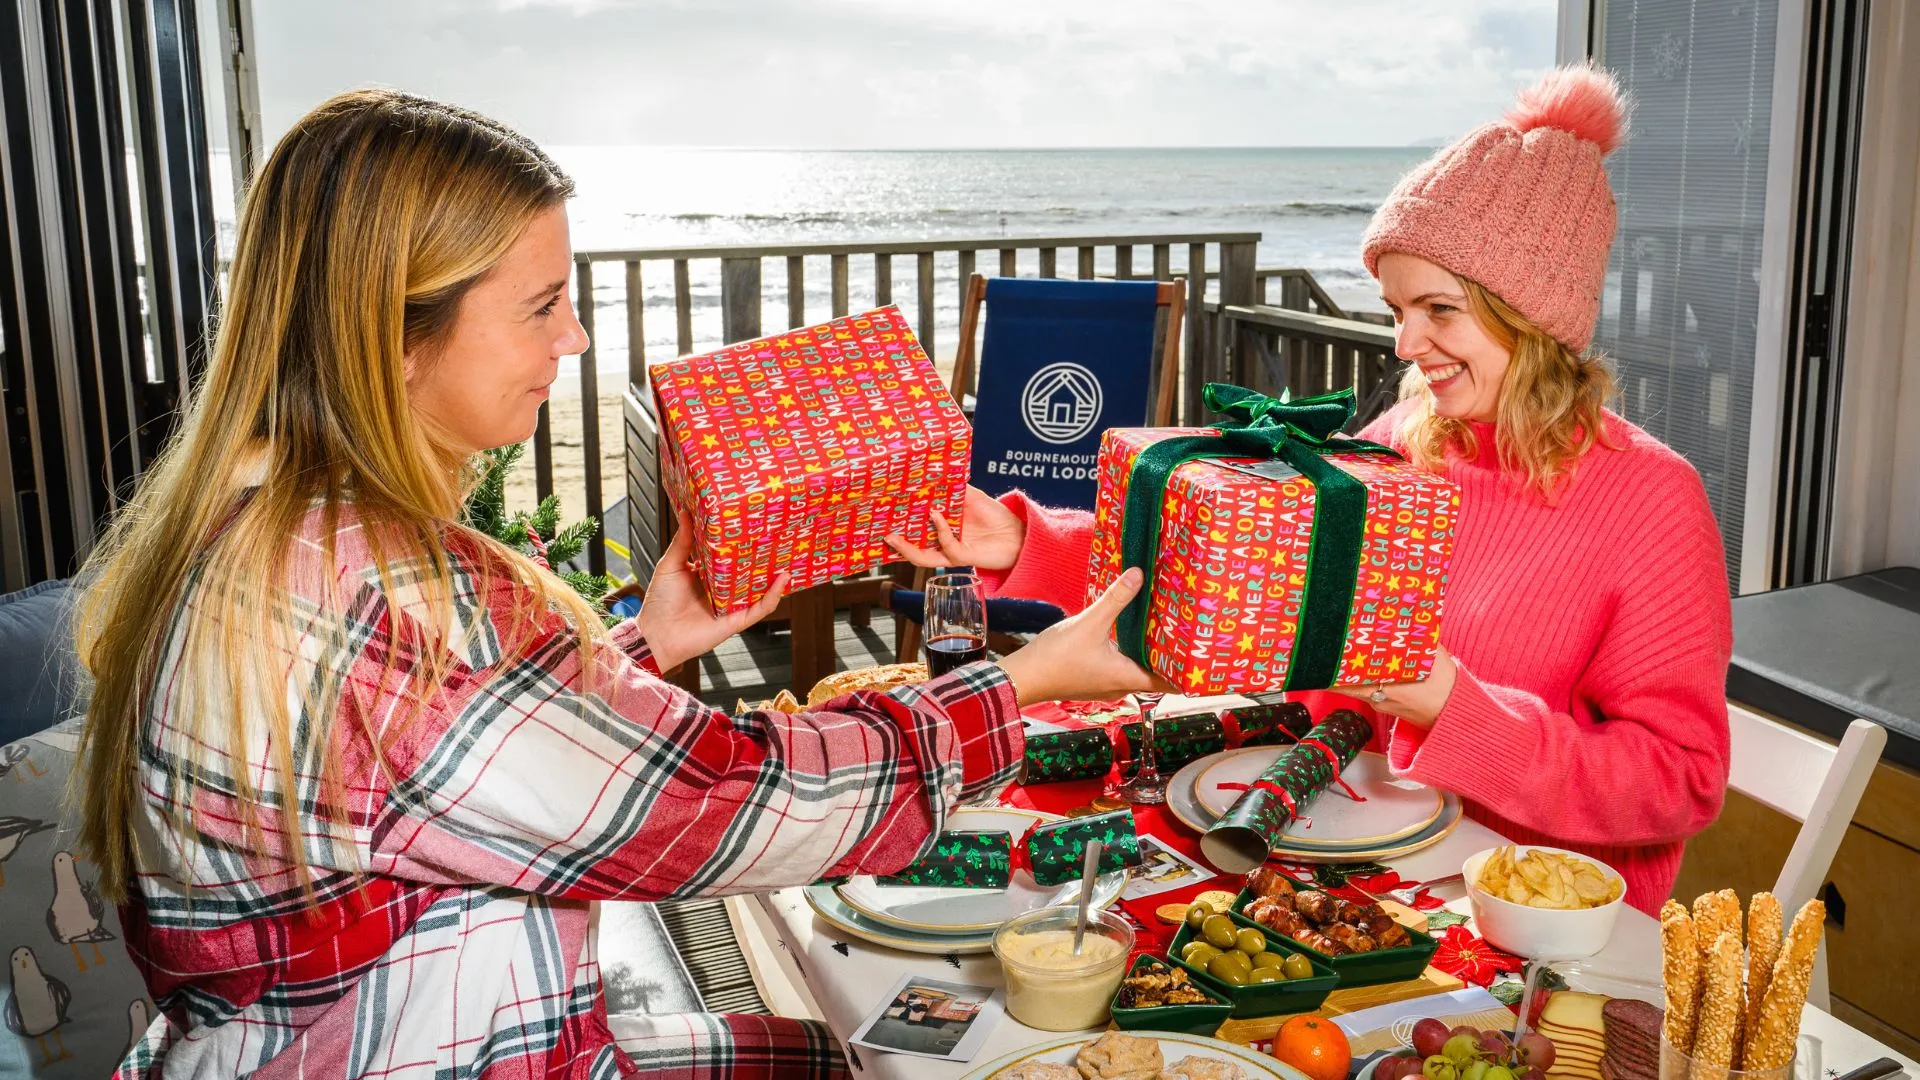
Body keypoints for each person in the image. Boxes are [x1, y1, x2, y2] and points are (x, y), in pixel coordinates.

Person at [72, 90, 1156, 1080]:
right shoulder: (386, 593)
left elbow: (449, 766)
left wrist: (653, 640)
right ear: (392, 338)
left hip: (342, 1036)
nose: (576, 338)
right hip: (406, 1054)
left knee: (829, 1054)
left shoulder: (259, 528)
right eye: (541, 306)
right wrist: (1014, 691)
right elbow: (719, 805)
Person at [889, 66, 1733, 915]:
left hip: (1514, 915)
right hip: (1315, 852)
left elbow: (1678, 784)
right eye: (1397, 308)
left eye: (1438, 310)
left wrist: (1452, 705)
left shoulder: (1651, 499)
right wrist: (1028, 543)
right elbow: (1245, 577)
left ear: (1535, 315)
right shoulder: (1403, 442)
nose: (1406, 344)